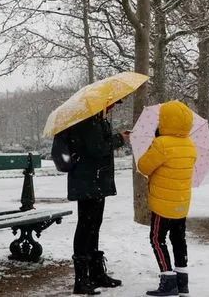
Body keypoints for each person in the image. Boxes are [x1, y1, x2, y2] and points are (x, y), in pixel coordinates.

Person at [54, 100, 129, 295]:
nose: (113, 107)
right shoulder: (87, 121)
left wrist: (114, 135)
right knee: (86, 227)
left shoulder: (96, 119)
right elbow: (97, 148)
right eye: (112, 104)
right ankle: (81, 280)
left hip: (94, 181)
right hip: (87, 181)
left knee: (94, 225)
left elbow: (97, 144)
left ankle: (95, 273)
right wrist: (119, 138)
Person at [137, 101, 197, 297]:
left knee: (157, 239)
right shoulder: (190, 144)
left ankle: (168, 279)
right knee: (179, 239)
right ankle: (183, 281)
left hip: (162, 204)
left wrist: (154, 142)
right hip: (181, 202)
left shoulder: (161, 144)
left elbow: (144, 167)